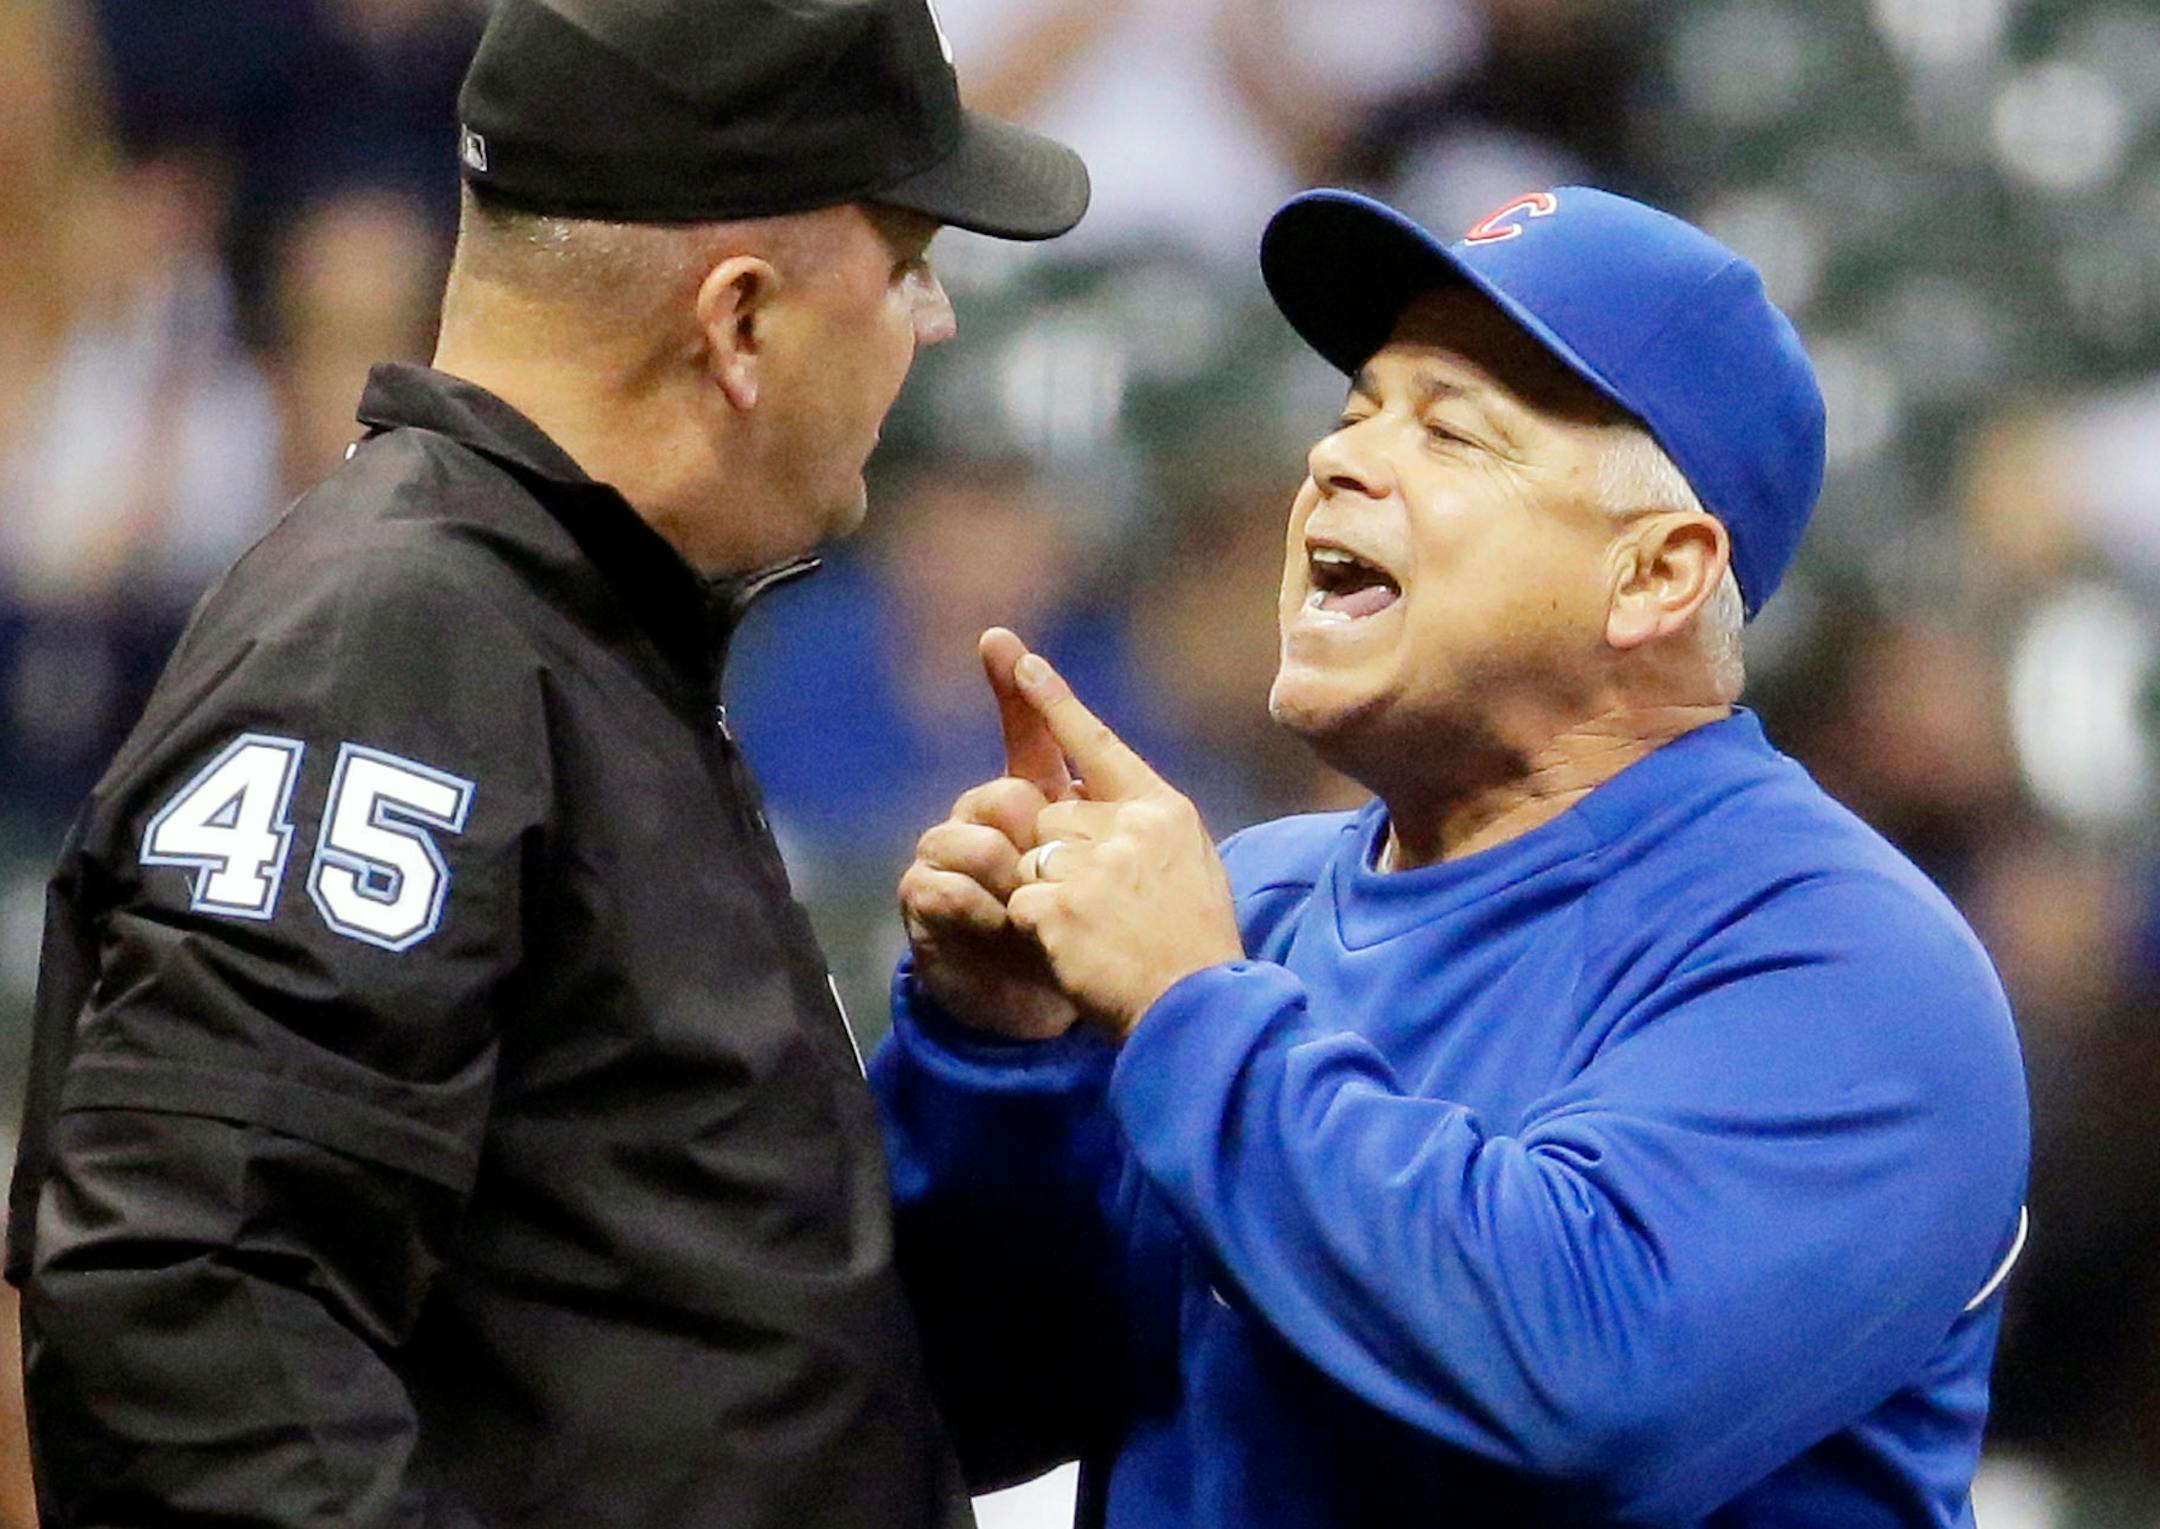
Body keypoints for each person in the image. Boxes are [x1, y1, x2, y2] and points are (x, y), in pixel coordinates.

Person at [5, 1, 1086, 1525]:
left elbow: (738, 1372)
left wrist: (992, 1051)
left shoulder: (568, 632)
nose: (937, 319)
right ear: (741, 323)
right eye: (908, 262)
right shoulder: (398, 646)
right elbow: (191, 1297)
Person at [873, 187, 2030, 1526]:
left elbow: (1586, 1377)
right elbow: (968, 1407)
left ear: (1656, 577)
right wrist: (998, 1064)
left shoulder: (1848, 964)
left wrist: (1195, 1010)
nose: (1342, 461)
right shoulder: (1255, 899)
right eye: (1358, 410)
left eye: (1451, 431)